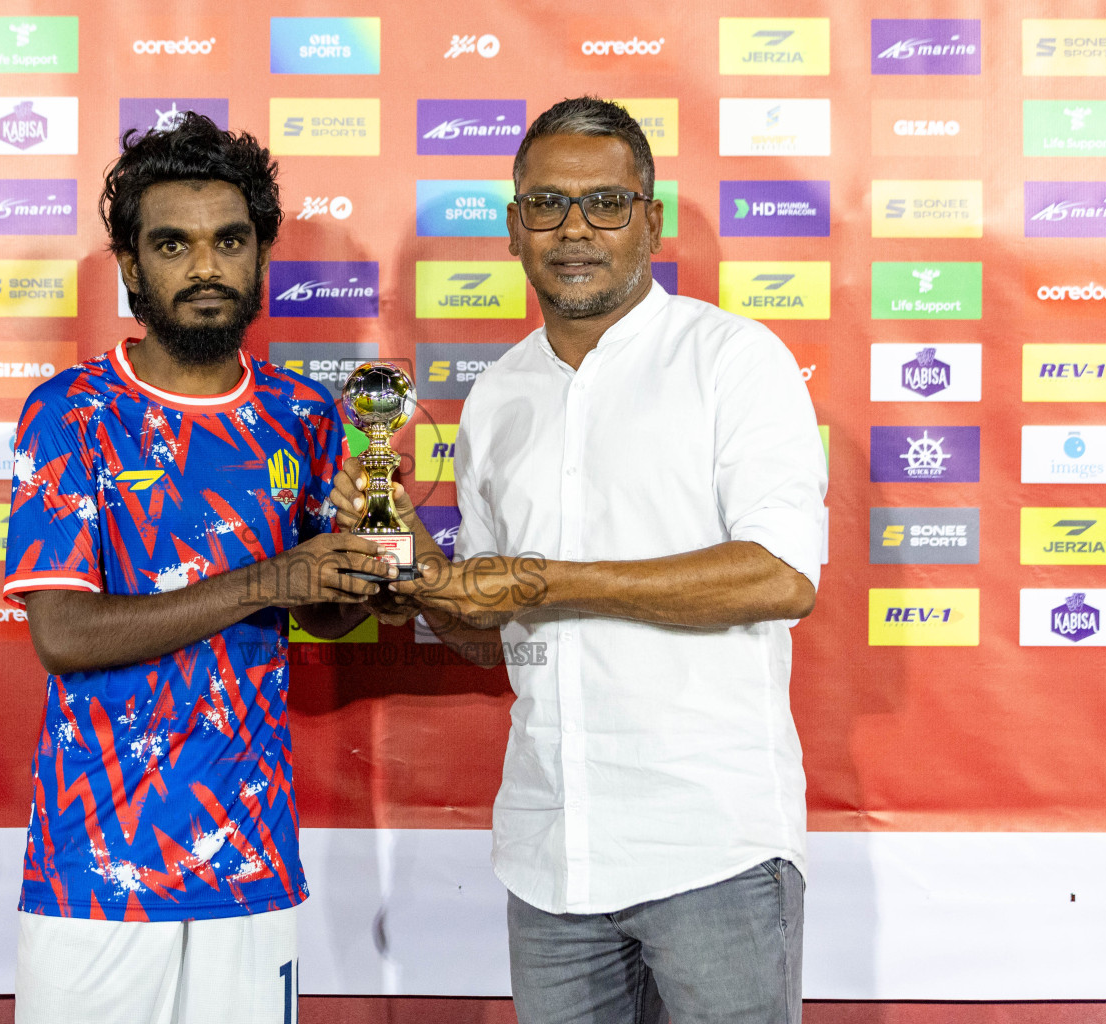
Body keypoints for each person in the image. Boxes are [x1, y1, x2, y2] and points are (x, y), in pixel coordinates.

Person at [333, 96, 828, 1023]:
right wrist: (419, 580)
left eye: (605, 203)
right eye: (547, 205)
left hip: (709, 844)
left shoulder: (732, 361)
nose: (575, 231)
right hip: (550, 852)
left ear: (651, 219)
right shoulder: (498, 398)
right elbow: (488, 639)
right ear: (514, 226)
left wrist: (547, 579)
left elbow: (780, 576)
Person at [4, 112, 391, 1024]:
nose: (206, 268)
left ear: (261, 256)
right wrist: (272, 579)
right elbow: (64, 635)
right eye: (173, 244)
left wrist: (366, 564)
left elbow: (329, 617)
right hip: (96, 865)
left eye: (230, 241)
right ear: (132, 266)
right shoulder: (70, 414)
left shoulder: (307, 417)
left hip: (249, 855)